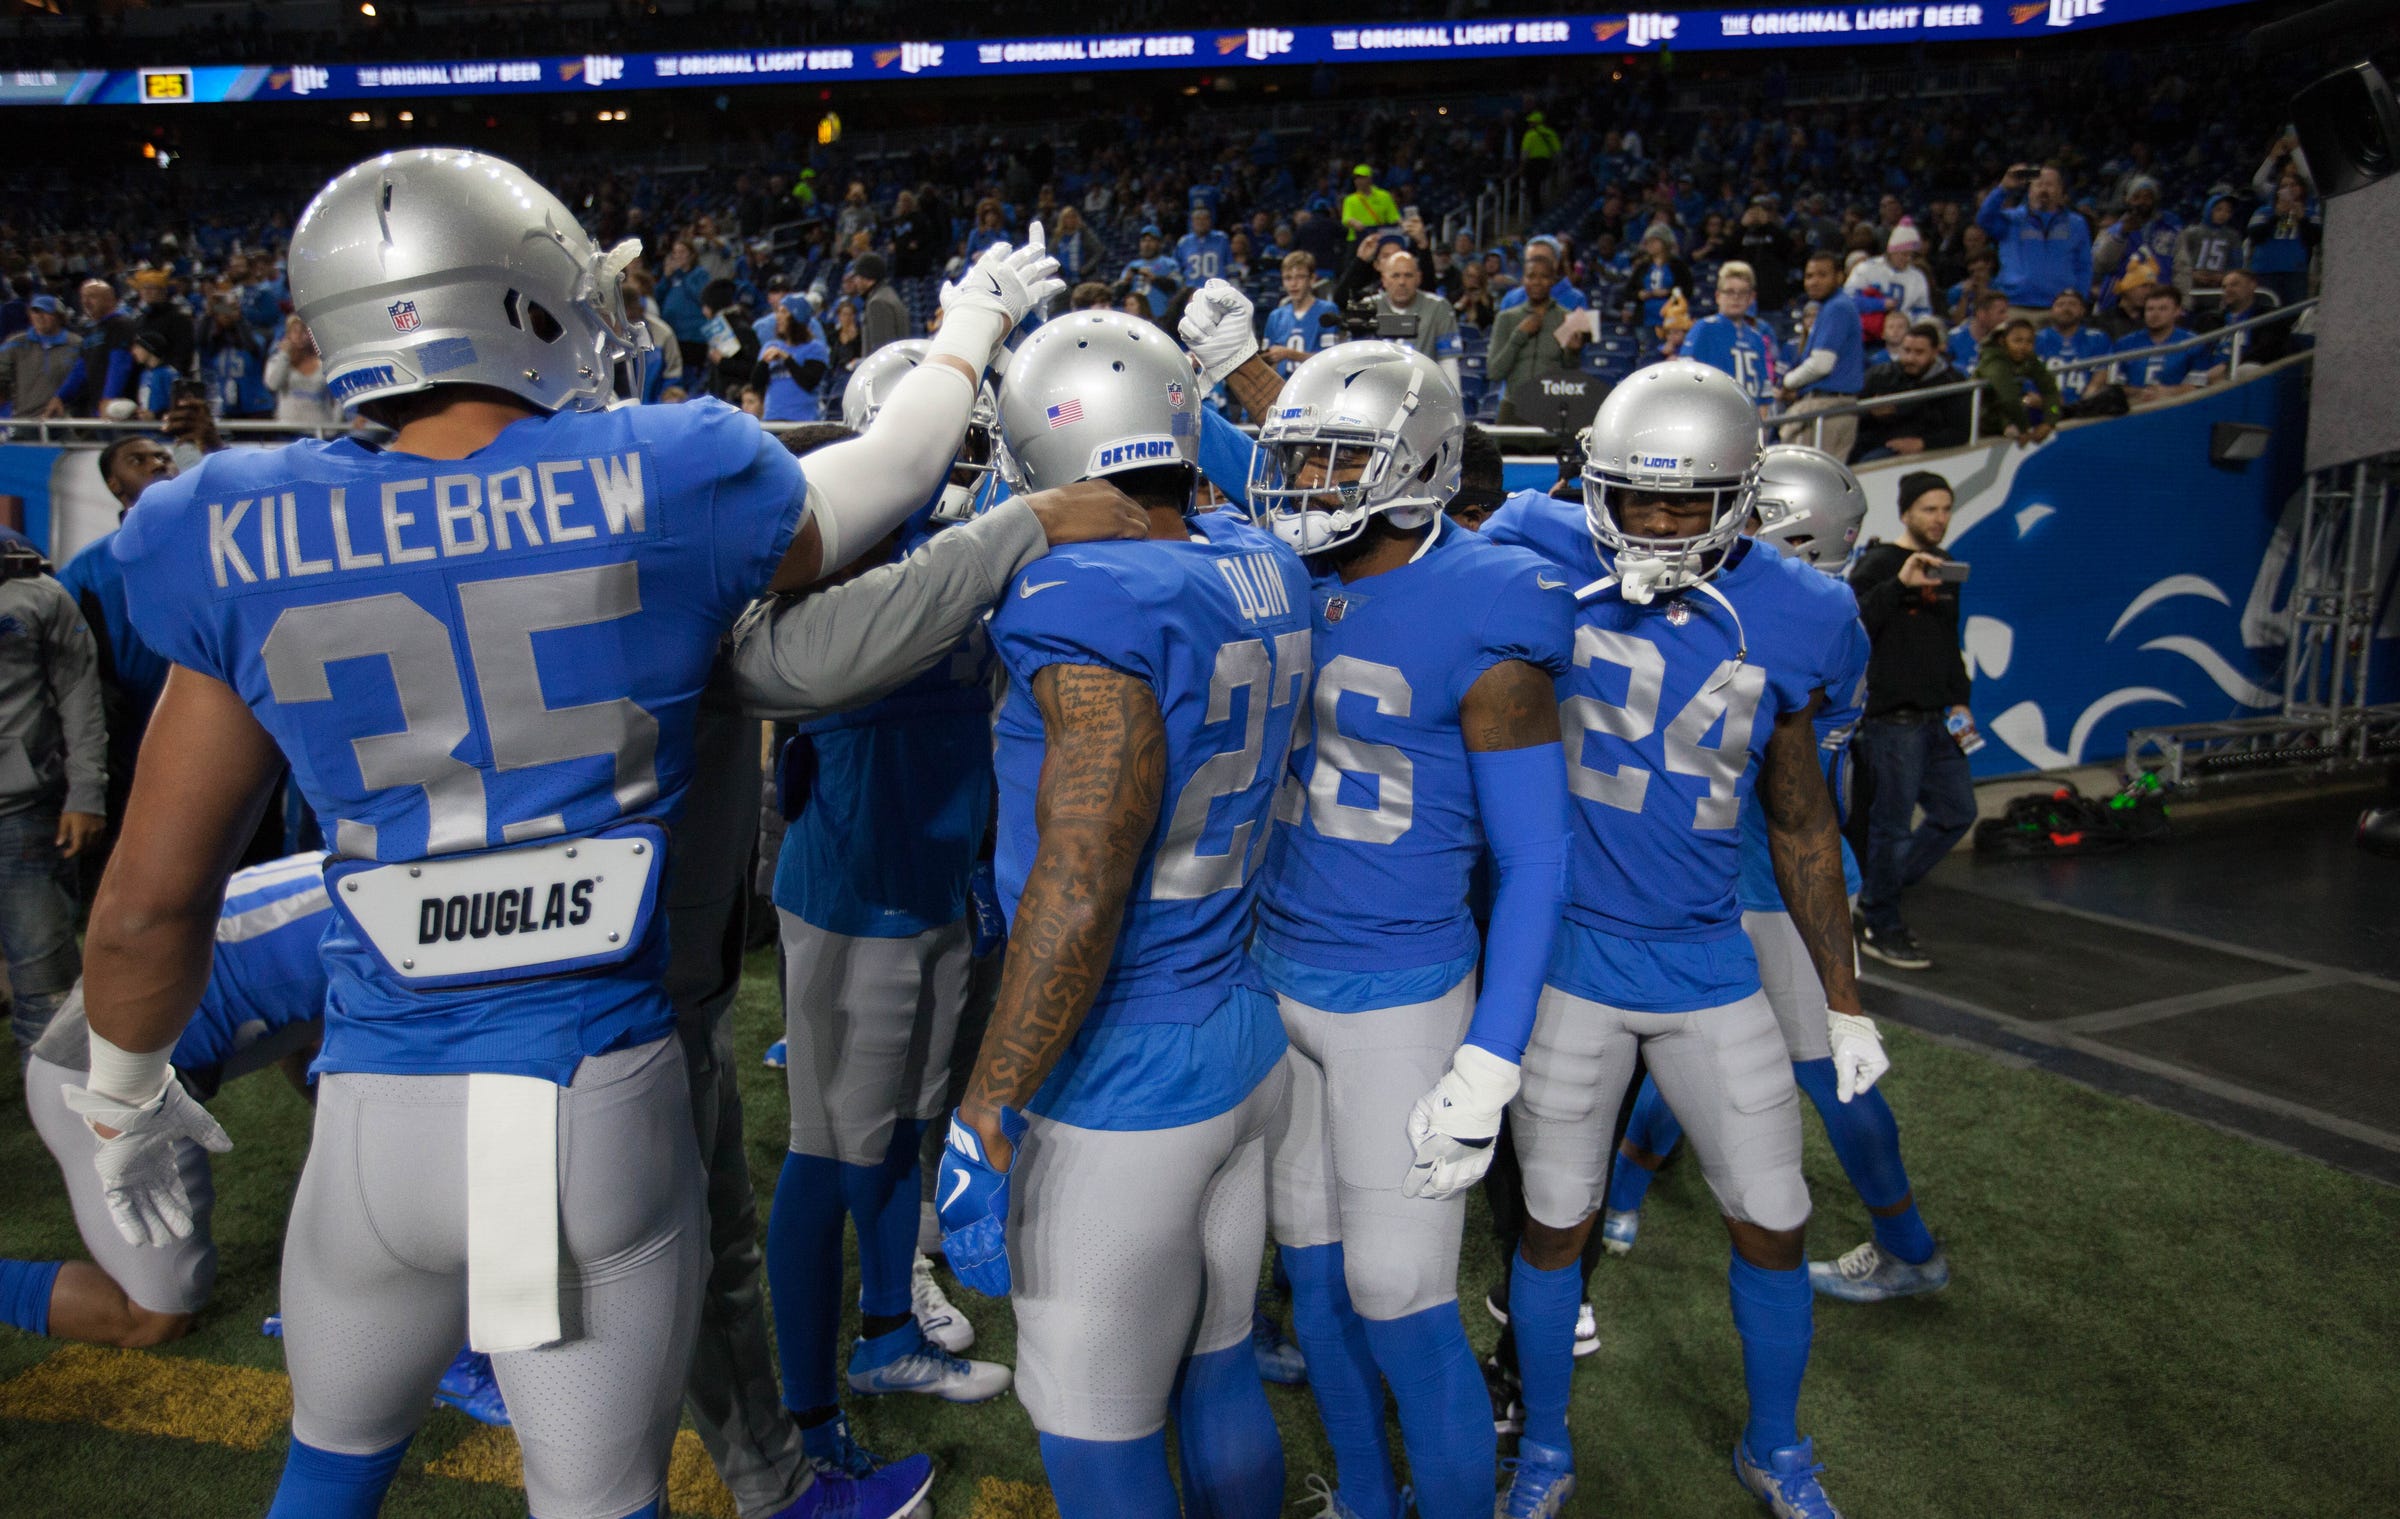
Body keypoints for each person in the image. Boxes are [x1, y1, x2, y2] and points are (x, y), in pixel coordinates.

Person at [76, 148, 1060, 1519]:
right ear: (529, 300)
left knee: (324, 1478)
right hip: (596, 1099)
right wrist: (966, 326)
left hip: (375, 1113)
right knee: (597, 1496)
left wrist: (123, 1098)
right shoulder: (668, 468)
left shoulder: (232, 522)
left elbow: (146, 905)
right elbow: (888, 471)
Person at [1485, 360, 1882, 1519]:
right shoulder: (1532, 537)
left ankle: (1777, 1445)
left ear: (1744, 497)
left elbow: (1804, 820)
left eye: (1688, 502)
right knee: (1552, 1226)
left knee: (1775, 1216)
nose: (1658, 526)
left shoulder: (1809, 611)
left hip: (1712, 962)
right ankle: (1545, 1448)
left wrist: (1845, 1001)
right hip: (1570, 959)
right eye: (1637, 498)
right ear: (1593, 484)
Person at [936, 308, 1312, 1518]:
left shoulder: (1081, 591)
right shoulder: (1264, 562)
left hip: (1119, 1073)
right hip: (1243, 1032)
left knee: (1098, 1434)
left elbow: (1084, 872)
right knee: (1215, 1374)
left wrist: (989, 1108)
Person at [1232, 327, 1574, 1519]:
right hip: (1274, 967)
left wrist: (1492, 1052)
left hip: (1403, 995)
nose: (1306, 486)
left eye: (1337, 462)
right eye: (1303, 459)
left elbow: (1537, 857)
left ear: (1418, 466)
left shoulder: (1489, 599)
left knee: (1398, 1291)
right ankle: (1371, 1501)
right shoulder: (1280, 572)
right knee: (1315, 1283)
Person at [1601, 447, 1951, 1304]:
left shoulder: (1793, 623)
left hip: (1772, 883)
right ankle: (1623, 1194)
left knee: (1822, 1068)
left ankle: (1909, 1243)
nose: (1734, 533)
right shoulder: (1815, 620)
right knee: (1685, 1040)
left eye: (1754, 519)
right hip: (1767, 875)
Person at [762, 353, 1015, 1479]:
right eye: (943, 435)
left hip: (938, 876)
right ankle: (809, 1419)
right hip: (854, 889)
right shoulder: (828, 558)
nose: (962, 460)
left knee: (907, 1123)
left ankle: (888, 1330)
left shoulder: (973, 544)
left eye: (974, 437)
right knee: (824, 1155)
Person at [6, 853, 329, 1349]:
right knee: (156, 1316)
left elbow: (302, 1022)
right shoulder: (397, 922)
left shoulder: (361, 868)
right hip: (97, 1088)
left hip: (141, 1062)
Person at [1847, 472, 1977, 972]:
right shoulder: (1879, 564)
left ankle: (1878, 895)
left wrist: (1960, 700)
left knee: (1957, 811)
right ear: (1905, 513)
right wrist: (1899, 585)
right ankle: (1881, 921)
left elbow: (1948, 641)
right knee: (1891, 829)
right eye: (1929, 509)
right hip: (1890, 722)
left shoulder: (1945, 567)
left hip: (1937, 720)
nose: (1939, 518)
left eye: (1945, 508)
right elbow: (1853, 623)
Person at [0, 534, 107, 1055]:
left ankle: (55, 1113)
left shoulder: (35, 590)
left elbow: (80, 694)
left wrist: (85, 793)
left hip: (19, 811)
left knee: (44, 981)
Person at [1777, 251, 1866, 462]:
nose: (1814, 282)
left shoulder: (1837, 307)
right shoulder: (1833, 306)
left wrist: (1788, 382)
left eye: (1822, 275)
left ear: (1839, 277)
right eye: (1809, 276)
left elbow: (1821, 364)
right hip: (1835, 406)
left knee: (1805, 477)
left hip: (1827, 407)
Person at [1976, 163, 2092, 323]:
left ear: (2061, 191)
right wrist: (2003, 189)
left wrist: (2079, 300)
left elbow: (2084, 266)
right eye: (2039, 184)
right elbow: (1983, 219)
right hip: (2016, 306)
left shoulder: (2077, 223)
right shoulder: (2012, 219)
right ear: (2029, 190)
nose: (2044, 189)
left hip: (2059, 309)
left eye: (2050, 184)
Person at [1854, 320, 1974, 461]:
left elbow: (1959, 432)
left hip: (1912, 448)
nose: (1910, 358)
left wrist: (1923, 443)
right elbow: (1851, 408)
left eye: (1919, 352)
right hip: (1872, 439)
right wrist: (1870, 412)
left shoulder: (1952, 382)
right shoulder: (1881, 374)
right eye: (1907, 351)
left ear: (1935, 352)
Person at [1487, 258, 1586, 424]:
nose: (1537, 282)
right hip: (1512, 408)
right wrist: (1519, 335)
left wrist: (1572, 352)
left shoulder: (1568, 317)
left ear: (1553, 281)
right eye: (1531, 276)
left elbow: (1572, 373)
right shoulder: (1506, 318)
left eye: (1544, 277)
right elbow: (1494, 372)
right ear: (1523, 280)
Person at [1676, 261, 1780, 405]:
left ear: (1751, 298)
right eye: (1730, 291)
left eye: (1742, 292)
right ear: (1718, 296)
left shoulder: (1756, 338)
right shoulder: (1704, 328)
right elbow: (1684, 379)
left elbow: (1764, 395)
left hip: (1749, 419)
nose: (1736, 298)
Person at [1364, 248, 1462, 387]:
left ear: (1419, 278)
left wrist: (1454, 405)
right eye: (1395, 275)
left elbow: (1448, 361)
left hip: (1426, 390)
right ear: (1384, 280)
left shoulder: (1438, 307)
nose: (1402, 282)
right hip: (1377, 390)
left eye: (1408, 275)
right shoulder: (1367, 307)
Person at [44, 279, 139, 419]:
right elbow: (81, 368)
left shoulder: (120, 325)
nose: (86, 302)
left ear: (110, 300)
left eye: (92, 296)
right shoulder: (90, 329)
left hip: (119, 410)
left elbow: (119, 365)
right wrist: (60, 397)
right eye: (83, 297)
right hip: (97, 408)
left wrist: (109, 399)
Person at [2111, 286, 2207, 404]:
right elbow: (2115, 387)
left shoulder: (2193, 342)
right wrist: (2140, 393)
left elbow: (2198, 387)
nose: (2155, 314)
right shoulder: (2124, 343)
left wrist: (2168, 392)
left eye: (2162, 309)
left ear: (2177, 311)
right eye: (2150, 309)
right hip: (2134, 409)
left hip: (2177, 408)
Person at [1843, 219, 1935, 341]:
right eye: (1903, 254)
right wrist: (1880, 304)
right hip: (1867, 336)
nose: (1907, 259)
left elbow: (1924, 310)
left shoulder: (1917, 277)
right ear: (1892, 251)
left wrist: (1906, 320)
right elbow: (1848, 300)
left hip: (1903, 339)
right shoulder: (1866, 268)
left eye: (1911, 255)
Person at [1975, 318, 2063, 443]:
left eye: (2029, 341)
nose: (2023, 346)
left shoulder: (2029, 358)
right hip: (1982, 418)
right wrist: (2024, 428)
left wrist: (2050, 421)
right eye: (2017, 341)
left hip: (2012, 414)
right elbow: (2008, 397)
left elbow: (2051, 392)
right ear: (2002, 341)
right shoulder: (1993, 361)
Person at [1262, 252, 1341, 377]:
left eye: (1299, 277)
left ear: (1312, 279)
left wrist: (1290, 354)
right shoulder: (1275, 316)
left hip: (1315, 386)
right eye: (1288, 278)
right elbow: (1265, 362)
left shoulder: (1327, 310)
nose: (1293, 284)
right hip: (1282, 389)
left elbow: (1330, 360)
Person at [754, 297, 831, 423]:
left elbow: (809, 382)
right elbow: (757, 384)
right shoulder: (770, 346)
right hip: (772, 418)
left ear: (796, 317)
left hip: (802, 420)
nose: (778, 317)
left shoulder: (815, 348)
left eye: (783, 312)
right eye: (778, 312)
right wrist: (763, 362)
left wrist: (787, 358)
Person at [2244, 180, 2319, 308]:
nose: (2289, 189)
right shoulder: (2263, 211)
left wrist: (2303, 220)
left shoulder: (2310, 213)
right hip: (2265, 271)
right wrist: (2276, 215)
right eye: (2284, 186)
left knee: (2295, 313)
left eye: (2294, 185)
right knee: (2266, 311)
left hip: (2295, 271)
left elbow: (2314, 239)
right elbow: (2255, 237)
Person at [1, 294, 79, 417]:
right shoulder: (16, 343)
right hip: (25, 419)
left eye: (46, 312)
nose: (39, 317)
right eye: (35, 312)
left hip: (66, 418)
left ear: (59, 317)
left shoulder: (76, 344)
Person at [2035, 290, 2114, 407]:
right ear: (2052, 311)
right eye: (2060, 304)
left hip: (2088, 406)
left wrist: (2087, 399)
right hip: (2048, 407)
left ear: (2083, 310)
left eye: (2072, 304)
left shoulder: (2098, 338)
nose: (2066, 308)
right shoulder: (2037, 339)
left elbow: (2102, 371)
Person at [2204, 267, 2290, 375]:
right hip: (2208, 370)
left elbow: (2265, 351)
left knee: (2248, 370)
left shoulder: (2269, 318)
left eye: (2234, 285)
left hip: (2241, 369)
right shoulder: (2210, 319)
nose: (2228, 290)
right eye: (2224, 286)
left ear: (2252, 286)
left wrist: (2227, 366)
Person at [2176, 193, 2247, 315]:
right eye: (2218, 209)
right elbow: (2180, 258)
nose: (2223, 214)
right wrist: (2192, 273)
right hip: (2192, 288)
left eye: (2228, 211)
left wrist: (2224, 276)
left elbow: (2236, 263)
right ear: (2208, 209)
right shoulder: (2191, 233)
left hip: (2218, 291)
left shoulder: (2232, 236)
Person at [263, 317, 338, 427]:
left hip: (320, 431)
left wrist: (335, 426)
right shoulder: (278, 360)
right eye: (295, 331)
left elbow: (338, 397)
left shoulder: (325, 364)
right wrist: (284, 356)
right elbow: (273, 385)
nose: (299, 336)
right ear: (288, 335)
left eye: (304, 331)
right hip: (287, 430)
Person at [849, 254, 911, 358]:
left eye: (857, 276)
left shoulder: (877, 303)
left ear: (868, 278)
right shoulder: (887, 294)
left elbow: (882, 350)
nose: (855, 281)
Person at [1946, 290, 2009, 373]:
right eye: (2001, 312)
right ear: (1981, 314)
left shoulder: (2008, 339)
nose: (2006, 317)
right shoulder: (1952, 339)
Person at [1177, 205, 1233, 287]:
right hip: (1192, 292)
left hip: (1218, 290)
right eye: (1197, 219)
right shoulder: (1184, 242)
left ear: (1210, 220)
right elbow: (1178, 269)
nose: (1201, 222)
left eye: (1205, 218)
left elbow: (1230, 266)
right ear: (1192, 222)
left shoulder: (1221, 239)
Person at [1342, 165, 1402, 238]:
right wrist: (1353, 222)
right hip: (1357, 237)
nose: (1358, 181)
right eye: (1356, 178)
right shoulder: (1350, 199)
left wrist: (1403, 224)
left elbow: (1394, 217)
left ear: (1370, 179)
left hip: (1379, 235)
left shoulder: (1384, 196)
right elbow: (1346, 218)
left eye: (1362, 178)